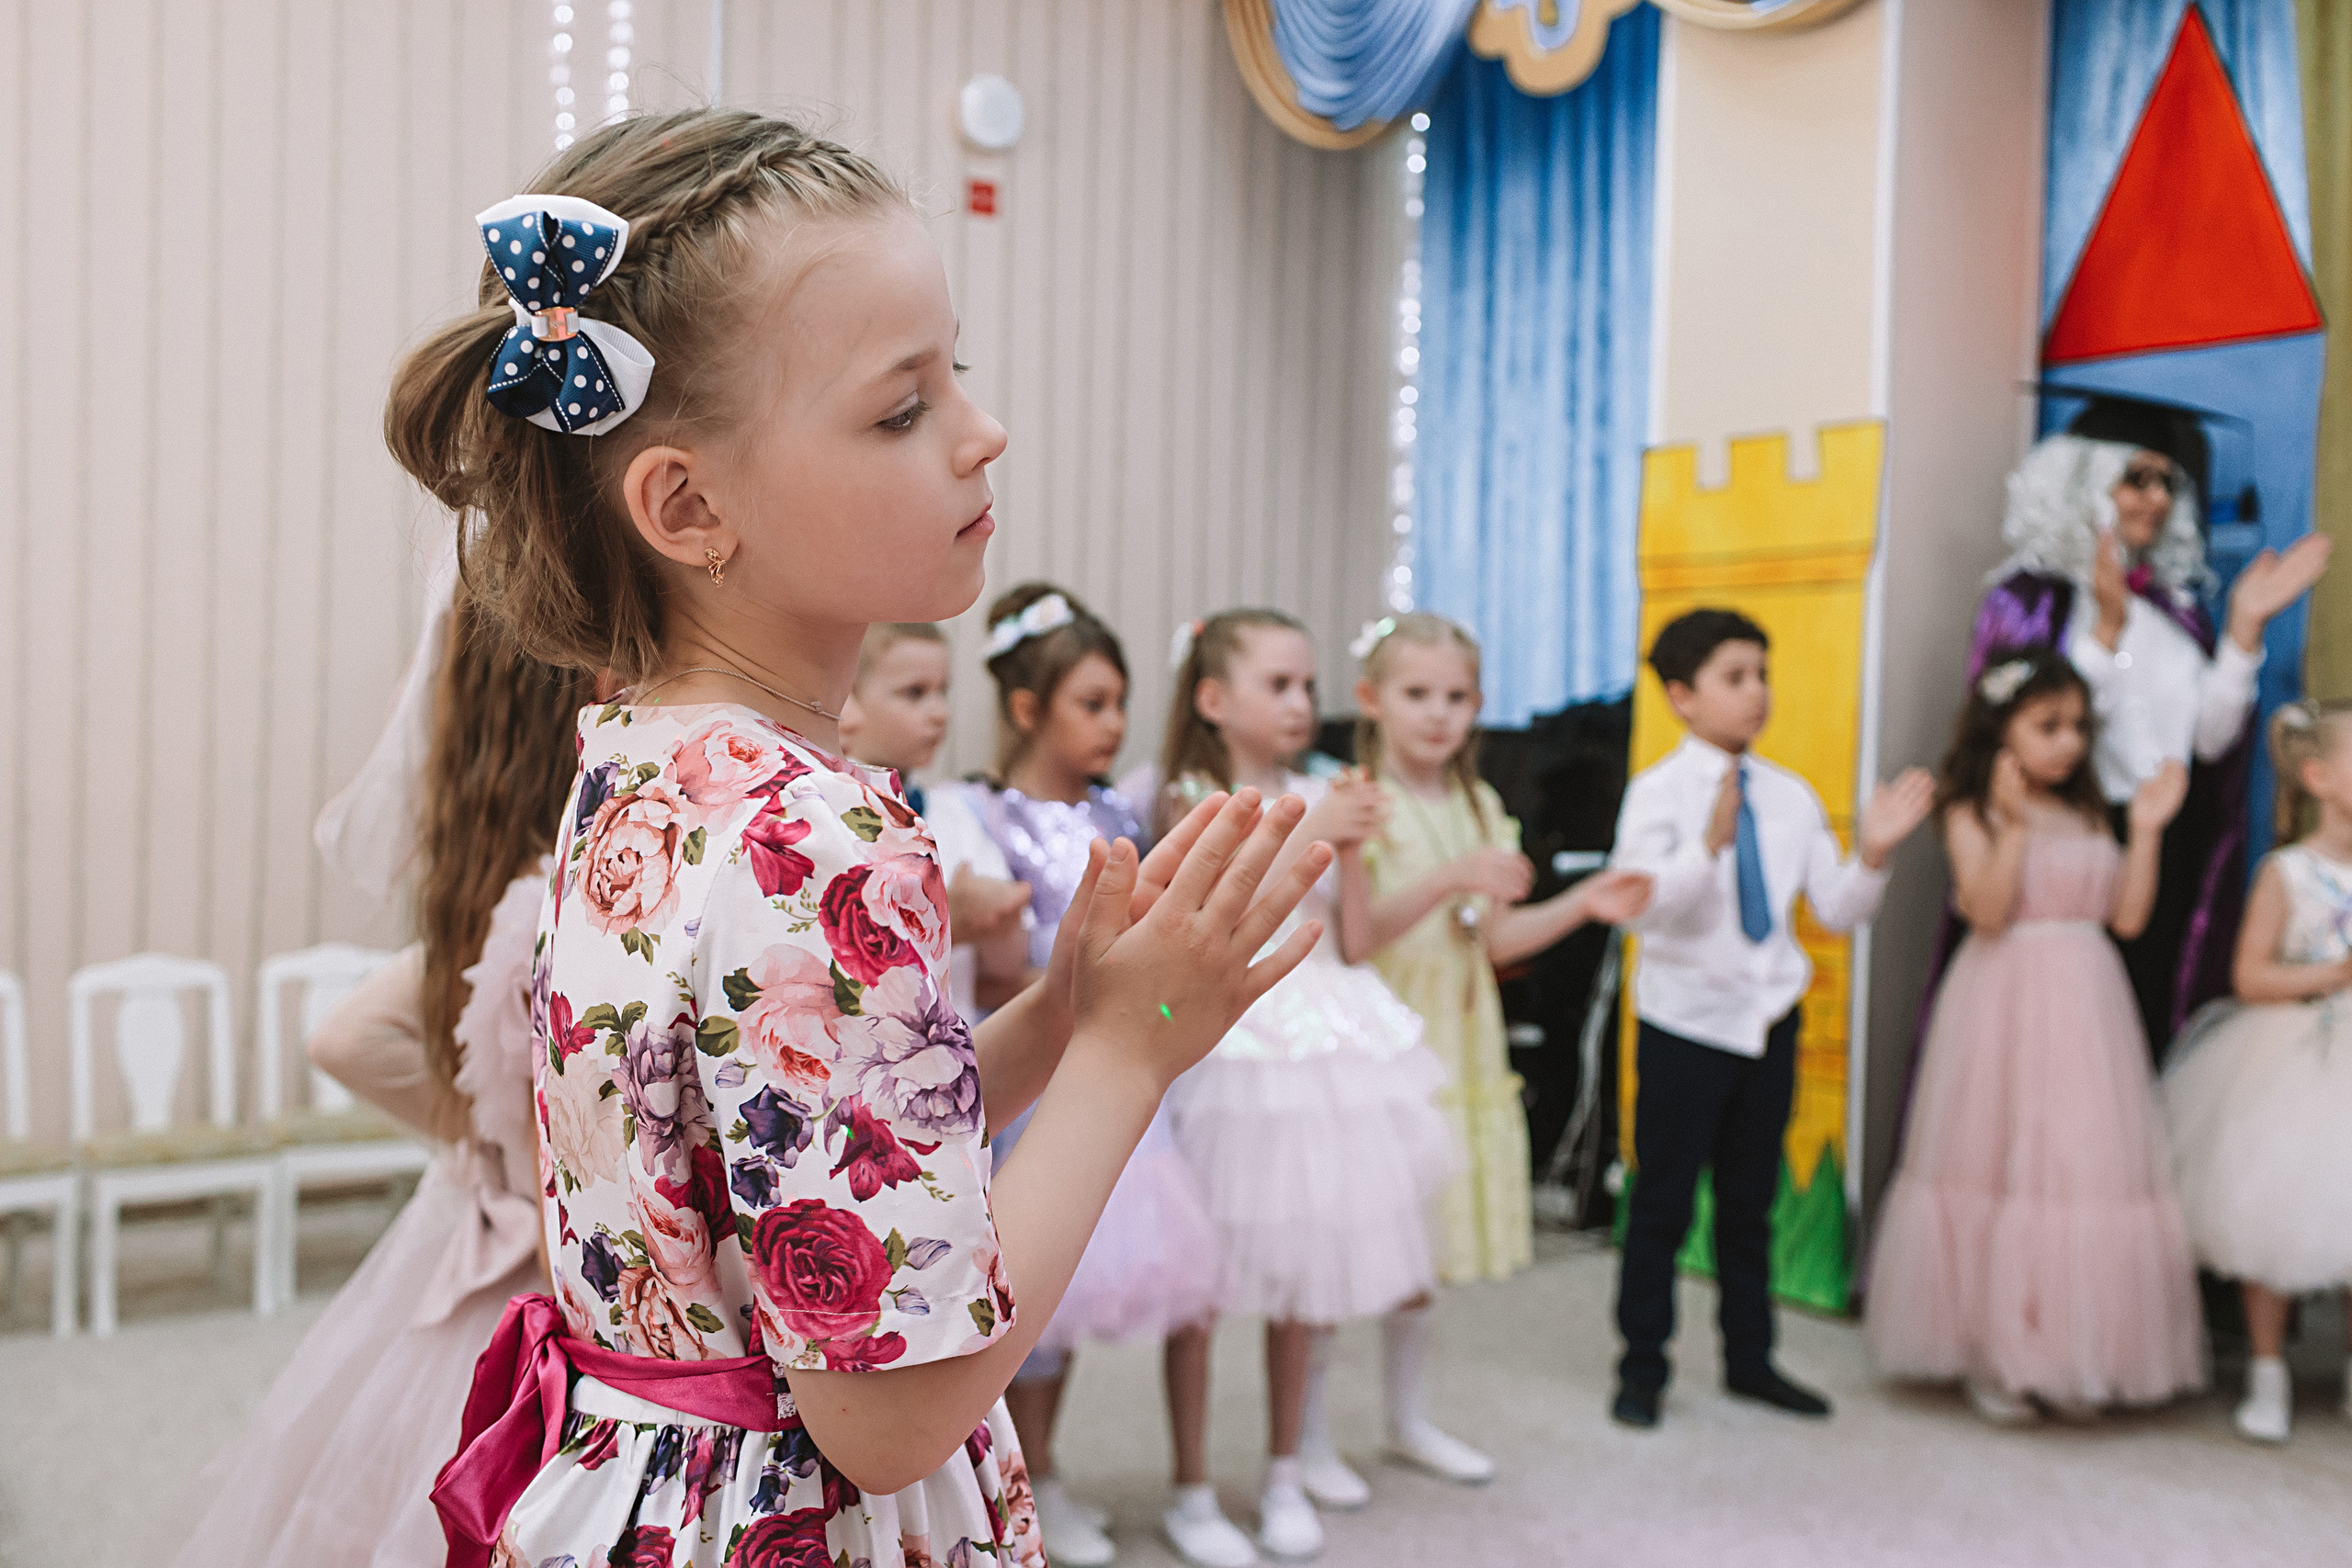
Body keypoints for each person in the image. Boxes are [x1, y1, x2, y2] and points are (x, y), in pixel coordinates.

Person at [384, 108, 1329, 1568]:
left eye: (960, 374)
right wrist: (1132, 1053)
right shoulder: (816, 828)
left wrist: (1056, 1019)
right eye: (903, 409)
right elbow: (886, 1414)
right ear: (689, 504)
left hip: (630, 1485)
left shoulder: (640, 754)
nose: (981, 431)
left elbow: (801, 1147)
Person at [169, 574, 593, 1567]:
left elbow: (351, 1037)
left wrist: (473, 1131)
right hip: (549, 1277)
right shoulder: (551, 903)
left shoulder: (490, 884)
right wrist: (497, 1140)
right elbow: (352, 1039)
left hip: (480, 1242)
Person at [1158, 608, 1476, 1562]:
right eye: (1279, 685)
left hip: (1327, 1039)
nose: (1302, 703)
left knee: (1308, 1270)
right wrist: (1312, 835)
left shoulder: (1325, 790)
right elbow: (1206, 927)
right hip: (1237, 1046)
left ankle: (1287, 1468)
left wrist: (1340, 841)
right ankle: (1190, 1487)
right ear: (1215, 701)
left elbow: (1357, 937)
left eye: (1306, 685)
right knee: (1205, 1288)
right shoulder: (1188, 796)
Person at [1608, 608, 1934, 1430]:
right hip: (1686, 1025)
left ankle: (1750, 1360)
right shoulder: (1657, 794)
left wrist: (1876, 855)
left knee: (1752, 1202)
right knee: (1664, 1202)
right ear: (1682, 695)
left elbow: (1834, 905)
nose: (1757, 693)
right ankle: (1642, 1365)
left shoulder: (1789, 796)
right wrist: (1707, 849)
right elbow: (1641, 910)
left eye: (1762, 673)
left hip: (1767, 1022)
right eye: (1734, 677)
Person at [1866, 648, 2203, 1424]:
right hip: (2004, 995)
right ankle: (1997, 1354)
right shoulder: (1968, 809)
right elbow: (1984, 910)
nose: (2069, 742)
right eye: (2047, 725)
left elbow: (2127, 917)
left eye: (2079, 726)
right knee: (2001, 1168)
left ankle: (2068, 1352)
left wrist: (2146, 830)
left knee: (2081, 1171)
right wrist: (2013, 826)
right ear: (2000, 728)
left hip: (2089, 998)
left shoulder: (2089, 809)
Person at [966, 582, 1227, 1568]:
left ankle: (1125, 1477)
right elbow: (993, 968)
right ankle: (1032, 1479)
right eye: (1091, 703)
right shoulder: (980, 813)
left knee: (1134, 1284)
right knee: (1033, 1305)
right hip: (1037, 1085)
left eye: (1120, 702)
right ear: (1027, 709)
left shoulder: (1126, 810)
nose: (1114, 724)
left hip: (1130, 1079)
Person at [1968, 402, 2330, 1054]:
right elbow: (2033, 723)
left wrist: (2245, 628)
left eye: (2168, 482)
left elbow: (2211, 741)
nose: (2157, 498)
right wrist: (2105, 629)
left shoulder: (2173, 612)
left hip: (2167, 833)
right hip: (2074, 832)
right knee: (2064, 1034)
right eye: (2137, 478)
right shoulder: (2029, 599)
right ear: (2085, 480)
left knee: (2143, 1016)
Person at [1351, 613, 1652, 1284]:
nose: (1438, 715)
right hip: (1391, 1028)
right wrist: (1447, 879)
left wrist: (1582, 902)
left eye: (1456, 698)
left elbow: (1491, 941)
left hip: (1464, 1033)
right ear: (1371, 699)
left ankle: (1410, 1393)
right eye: (1417, 694)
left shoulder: (1483, 806)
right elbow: (1357, 936)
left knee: (1429, 1264)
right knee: (1374, 1246)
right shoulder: (1362, 803)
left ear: (1478, 706)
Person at [2163, 698, 2352, 1444]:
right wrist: (2334, 972)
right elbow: (2248, 975)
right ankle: (2268, 1369)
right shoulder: (2289, 871)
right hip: (2292, 1058)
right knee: (2271, 1212)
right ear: (2320, 776)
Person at [836, 619, 1032, 1021]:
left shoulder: (954, 814)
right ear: (846, 701)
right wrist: (950, 921)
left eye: (943, 692)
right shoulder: (830, 816)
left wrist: (1002, 918)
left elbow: (1006, 969)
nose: (940, 712)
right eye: (915, 693)